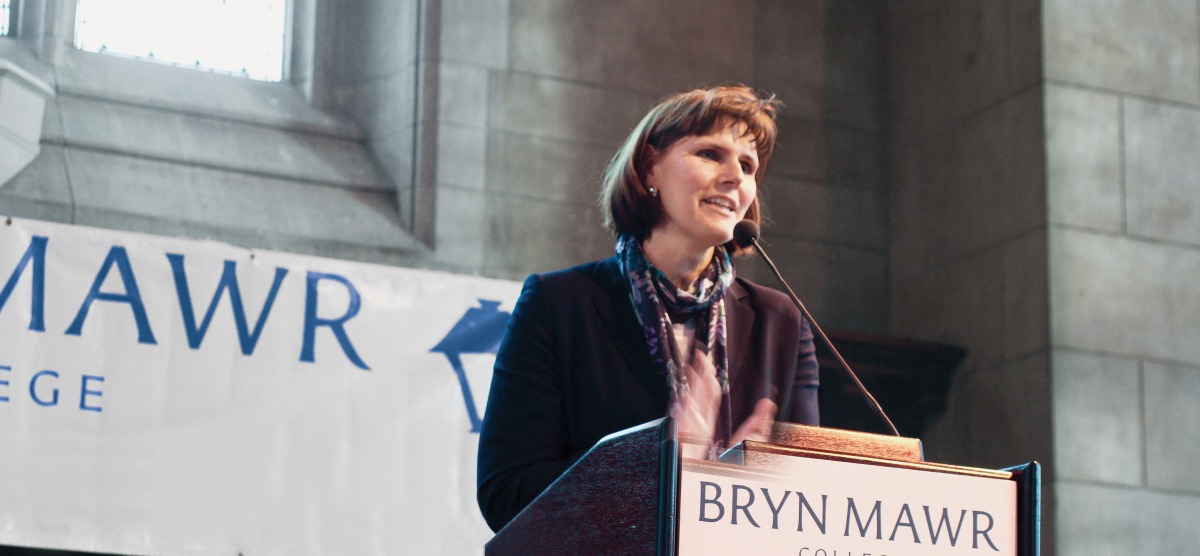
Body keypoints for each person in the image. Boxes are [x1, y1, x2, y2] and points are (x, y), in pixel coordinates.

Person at [475, 84, 819, 533]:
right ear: (649, 167)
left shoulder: (780, 322)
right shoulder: (560, 304)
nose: (737, 177)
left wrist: (757, 483)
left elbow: (811, 497)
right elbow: (506, 493)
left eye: (749, 165)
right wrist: (656, 466)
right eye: (711, 154)